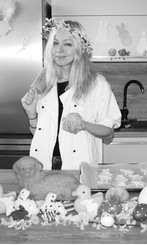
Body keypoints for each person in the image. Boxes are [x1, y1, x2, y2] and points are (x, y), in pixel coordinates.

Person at [21, 18, 121, 170]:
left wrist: (84, 124)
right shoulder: (44, 84)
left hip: (79, 168)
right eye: (55, 43)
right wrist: (31, 115)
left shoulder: (97, 85)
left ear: (80, 49)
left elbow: (108, 133)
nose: (59, 50)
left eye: (67, 44)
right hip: (43, 167)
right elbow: (39, 133)